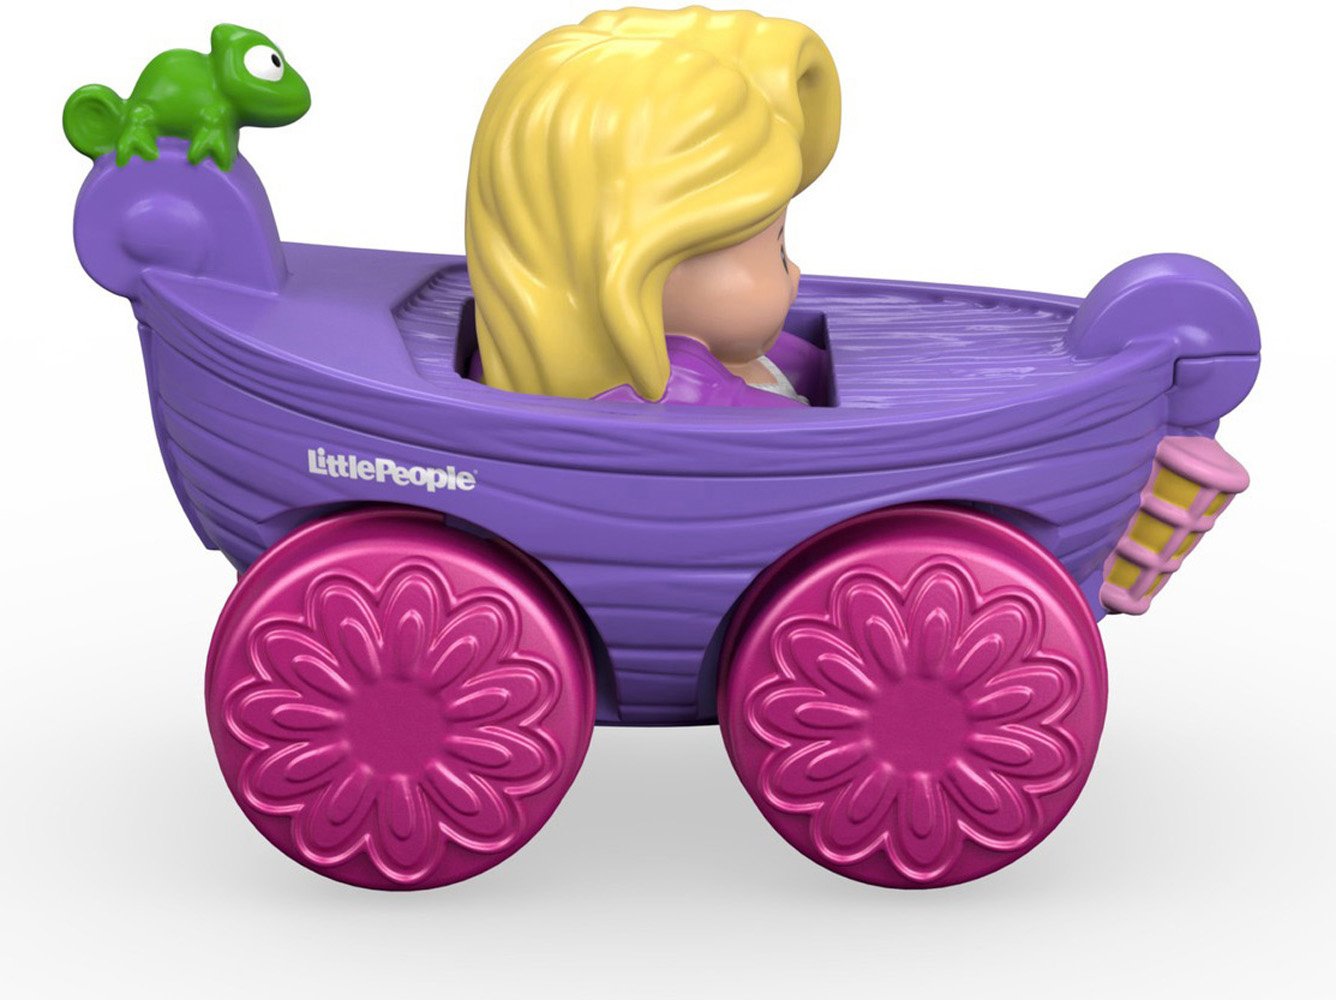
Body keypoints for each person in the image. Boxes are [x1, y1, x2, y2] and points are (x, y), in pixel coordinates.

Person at [465, 6, 840, 406]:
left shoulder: (722, 347)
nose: (795, 273)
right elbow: (808, 430)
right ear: (644, 268)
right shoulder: (686, 395)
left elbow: (805, 362)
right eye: (777, 250)